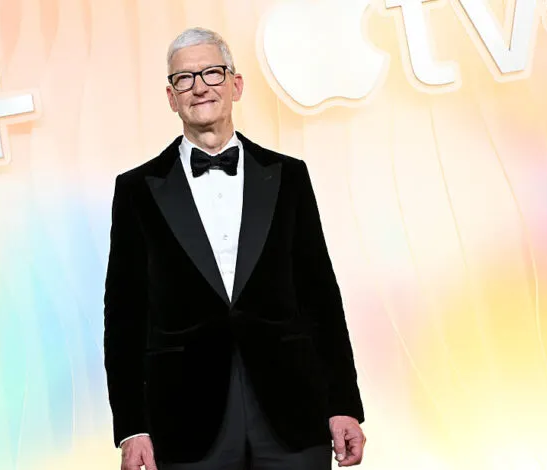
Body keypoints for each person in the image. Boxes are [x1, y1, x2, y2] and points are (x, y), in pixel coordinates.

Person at [103, 27, 366, 470]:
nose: (200, 86)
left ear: (235, 84)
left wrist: (343, 403)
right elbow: (124, 316)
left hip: (293, 414)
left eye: (211, 72)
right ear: (171, 97)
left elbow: (320, 295)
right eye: (184, 79)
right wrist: (133, 426)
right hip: (185, 424)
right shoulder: (135, 191)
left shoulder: (288, 176)